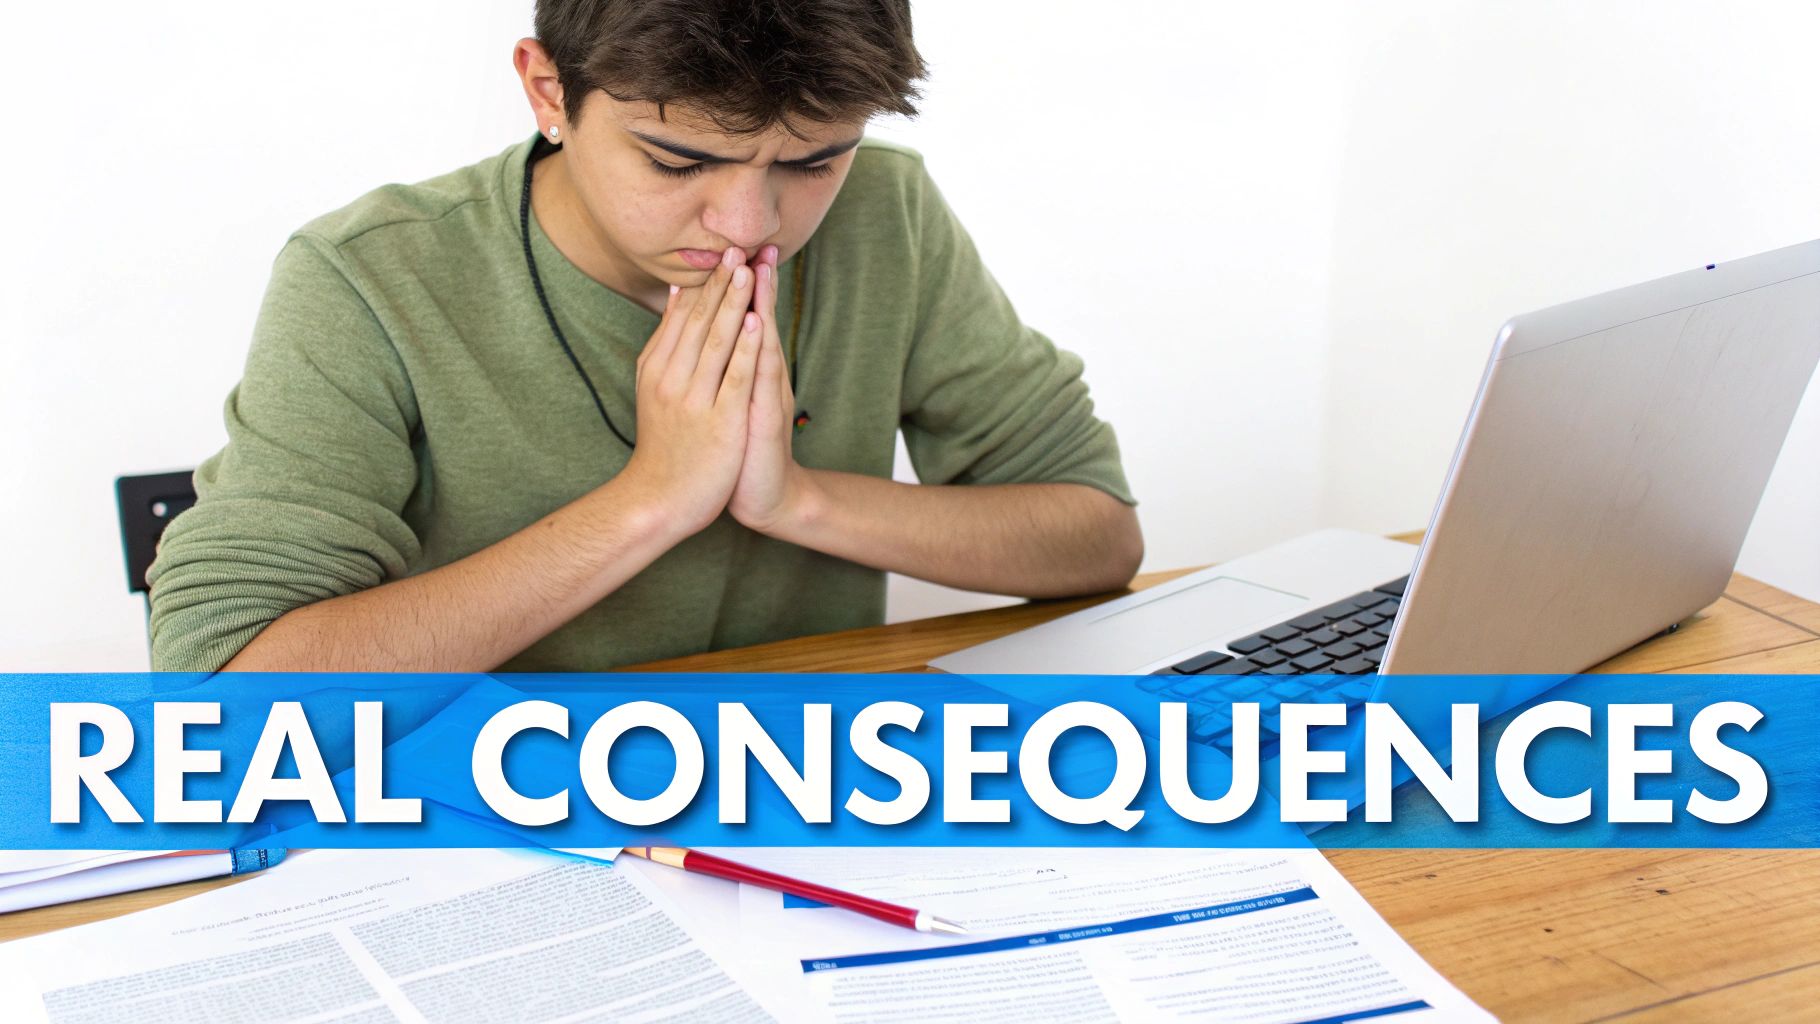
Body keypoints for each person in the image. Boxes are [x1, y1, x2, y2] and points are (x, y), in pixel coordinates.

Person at [147, 0, 1141, 673]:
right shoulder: (367, 277)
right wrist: (651, 501)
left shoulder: (888, 214)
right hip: (474, 827)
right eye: (677, 163)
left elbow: (1095, 534)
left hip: (792, 805)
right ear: (548, 93)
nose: (751, 225)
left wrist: (794, 499)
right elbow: (225, 681)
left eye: (814, 161)